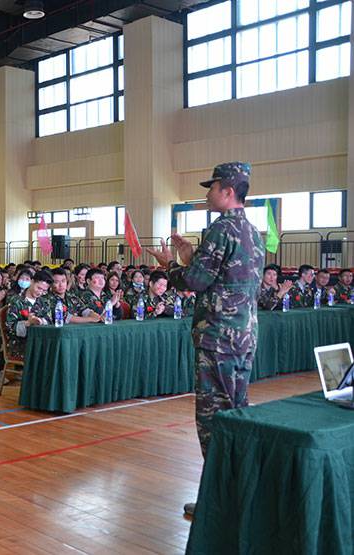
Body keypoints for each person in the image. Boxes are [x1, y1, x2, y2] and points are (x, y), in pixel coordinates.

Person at [147, 161, 264, 519]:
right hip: (242, 335)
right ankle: (240, 494)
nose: (208, 194)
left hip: (218, 337)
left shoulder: (221, 228)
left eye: (212, 187)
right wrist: (191, 256)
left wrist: (170, 264)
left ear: (227, 191)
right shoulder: (252, 231)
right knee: (237, 413)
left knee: (214, 421)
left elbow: (195, 282)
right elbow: (223, 275)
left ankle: (219, 503)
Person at [5, 270, 53, 360]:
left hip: (40, 341)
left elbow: (49, 320)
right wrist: (27, 323)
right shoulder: (16, 301)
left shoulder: (44, 302)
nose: (40, 293)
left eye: (44, 291)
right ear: (32, 282)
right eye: (39, 288)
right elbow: (9, 327)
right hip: (20, 343)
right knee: (47, 353)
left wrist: (40, 321)